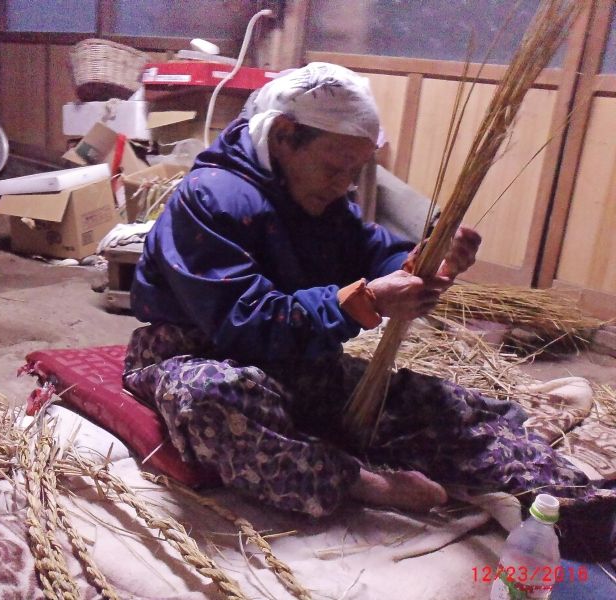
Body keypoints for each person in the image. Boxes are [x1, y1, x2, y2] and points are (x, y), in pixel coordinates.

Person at [122, 64, 614, 554]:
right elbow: (242, 322)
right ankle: (362, 482)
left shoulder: (323, 199)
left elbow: (372, 249)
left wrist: (424, 261)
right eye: (334, 168)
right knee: (213, 399)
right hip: (195, 352)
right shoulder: (210, 198)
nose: (343, 185)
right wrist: (366, 301)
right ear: (284, 137)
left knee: (440, 409)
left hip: (296, 361)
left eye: (354, 172)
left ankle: (576, 504)